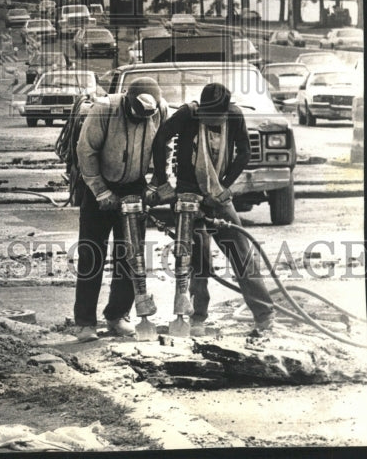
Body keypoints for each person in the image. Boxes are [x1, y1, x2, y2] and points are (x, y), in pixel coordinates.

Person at [150, 81, 274, 334]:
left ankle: (264, 316)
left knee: (242, 254)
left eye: (217, 115)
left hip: (218, 194)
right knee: (197, 259)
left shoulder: (235, 116)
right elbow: (160, 138)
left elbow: (245, 153)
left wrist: (225, 188)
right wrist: (162, 183)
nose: (213, 119)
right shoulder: (188, 114)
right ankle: (197, 317)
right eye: (209, 115)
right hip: (188, 192)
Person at [73, 76, 168, 341]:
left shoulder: (160, 110)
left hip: (134, 186)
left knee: (132, 256)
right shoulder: (104, 110)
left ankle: (117, 315)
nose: (140, 120)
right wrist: (101, 191)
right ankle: (85, 322)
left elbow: (164, 147)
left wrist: (156, 183)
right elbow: (86, 151)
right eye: (136, 115)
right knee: (91, 254)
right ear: (126, 99)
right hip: (99, 185)